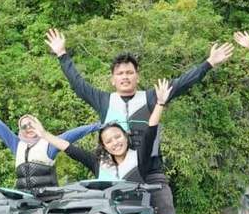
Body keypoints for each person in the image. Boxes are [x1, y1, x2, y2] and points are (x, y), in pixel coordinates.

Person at [45, 28, 234, 214]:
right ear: (112, 79)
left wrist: (208, 63)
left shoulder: (151, 97)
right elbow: (78, 84)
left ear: (137, 76)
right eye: (120, 73)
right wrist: (62, 54)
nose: (125, 77)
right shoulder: (104, 101)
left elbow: (183, 83)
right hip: (118, 179)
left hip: (152, 174)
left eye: (130, 72)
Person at [34, 79, 171, 185]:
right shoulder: (98, 164)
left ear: (126, 136)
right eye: (109, 141)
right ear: (104, 146)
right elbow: (69, 148)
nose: (115, 143)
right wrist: (44, 134)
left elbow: (151, 129)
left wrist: (160, 103)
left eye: (117, 137)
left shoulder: (139, 156)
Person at [0, 94, 96, 192]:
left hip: (48, 200)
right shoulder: (17, 144)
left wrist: (98, 126)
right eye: (24, 126)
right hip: (26, 201)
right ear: (21, 130)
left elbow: (73, 134)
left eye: (31, 123)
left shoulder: (48, 143)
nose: (28, 128)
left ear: (37, 123)